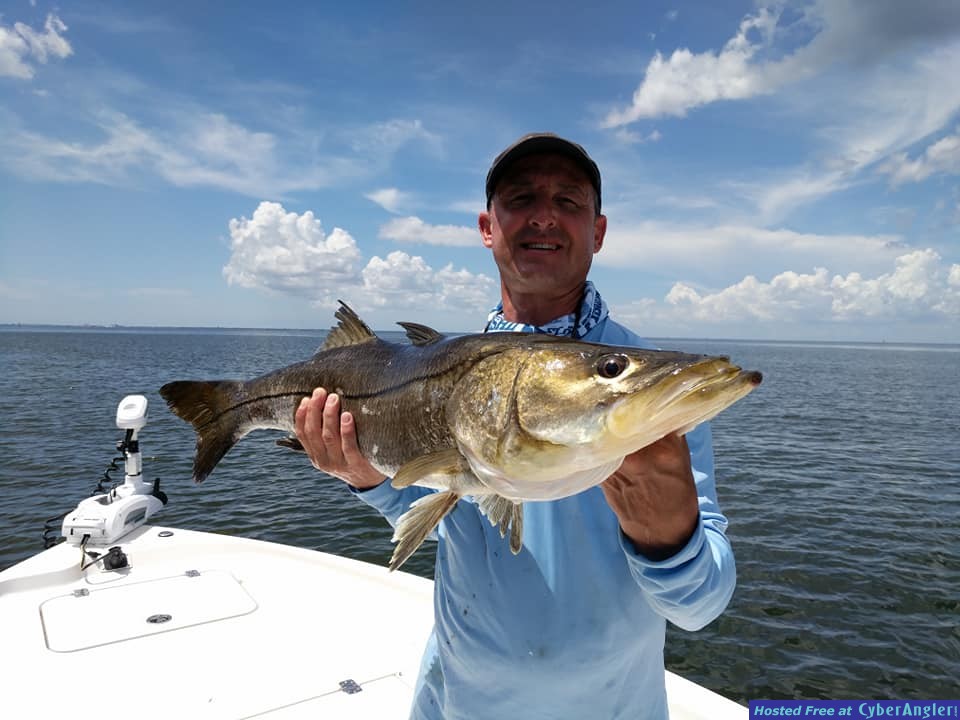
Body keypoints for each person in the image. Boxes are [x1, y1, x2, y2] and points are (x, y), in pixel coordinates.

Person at [294, 133, 736, 720]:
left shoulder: (650, 393)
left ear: (599, 231)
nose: (544, 216)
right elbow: (446, 515)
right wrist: (368, 480)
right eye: (521, 198)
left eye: (569, 201)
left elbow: (700, 608)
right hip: (454, 702)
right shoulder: (448, 367)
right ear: (488, 227)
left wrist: (669, 539)